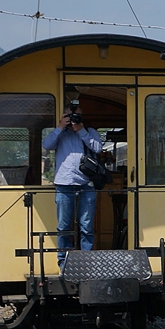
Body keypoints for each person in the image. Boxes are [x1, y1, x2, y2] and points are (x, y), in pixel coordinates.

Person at [42, 103, 103, 268]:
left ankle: (87, 262)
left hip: (86, 184)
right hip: (64, 185)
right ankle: (64, 263)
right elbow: (46, 146)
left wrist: (81, 130)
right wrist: (60, 127)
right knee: (64, 226)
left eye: (76, 116)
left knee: (87, 226)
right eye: (69, 116)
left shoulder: (89, 132)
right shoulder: (60, 134)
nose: (73, 120)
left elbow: (97, 148)